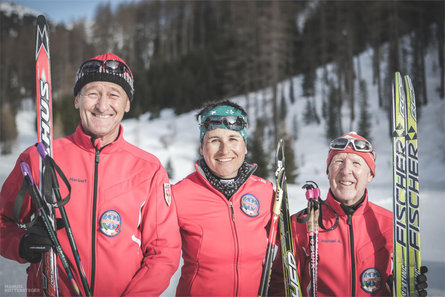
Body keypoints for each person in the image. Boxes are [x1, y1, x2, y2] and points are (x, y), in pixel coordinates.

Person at [0, 53, 181, 296]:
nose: (102, 105)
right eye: (93, 93)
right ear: (77, 99)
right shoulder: (39, 158)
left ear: (127, 104)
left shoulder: (148, 169)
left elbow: (163, 252)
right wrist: (21, 244)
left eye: (114, 94)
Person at [269, 132, 428, 296]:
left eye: (356, 163)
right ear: (328, 172)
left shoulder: (391, 224)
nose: (346, 171)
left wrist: (406, 287)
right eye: (338, 161)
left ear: (370, 175)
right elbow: (279, 285)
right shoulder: (299, 225)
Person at [172, 100, 275, 296]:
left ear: (245, 146)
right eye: (214, 140)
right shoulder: (180, 194)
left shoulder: (266, 192)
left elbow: (289, 247)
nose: (224, 150)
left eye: (233, 139)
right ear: (202, 148)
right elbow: (158, 253)